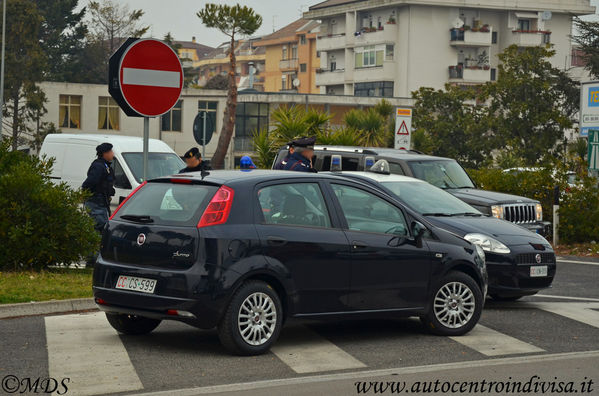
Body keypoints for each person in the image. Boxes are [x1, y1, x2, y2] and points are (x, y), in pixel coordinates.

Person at [82, 143, 115, 266]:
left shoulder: (105, 166)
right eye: (111, 152)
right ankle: (93, 260)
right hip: (97, 203)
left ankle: (95, 258)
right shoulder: (98, 166)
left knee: (99, 230)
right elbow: (89, 183)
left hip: (102, 202)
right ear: (105, 153)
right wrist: (92, 196)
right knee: (100, 230)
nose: (113, 154)